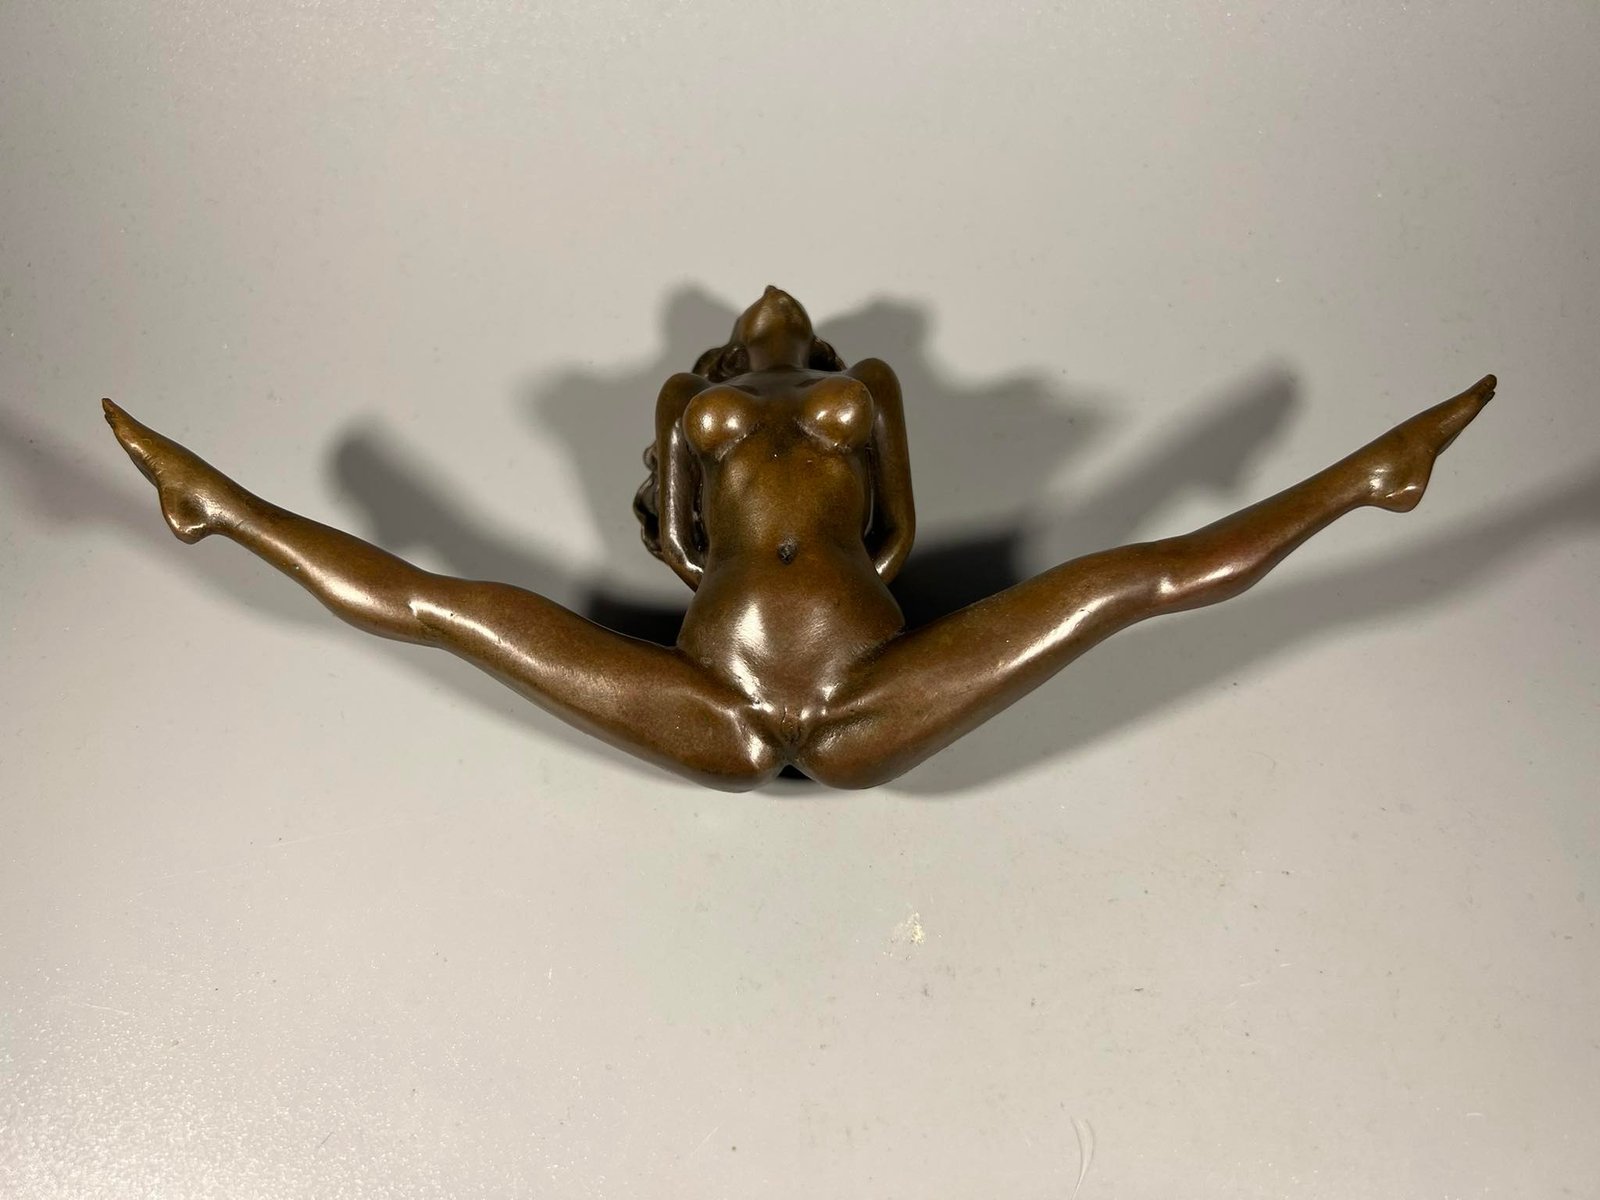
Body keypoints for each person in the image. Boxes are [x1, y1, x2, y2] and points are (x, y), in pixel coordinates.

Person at [103, 286, 1496, 790]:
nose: (773, 299)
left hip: (867, 692)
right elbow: (675, 547)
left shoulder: (864, 385)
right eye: (754, 318)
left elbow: (897, 536)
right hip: (710, 697)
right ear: (727, 351)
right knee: (449, 607)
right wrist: (720, 567)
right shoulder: (687, 398)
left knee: (1125, 582)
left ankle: (1368, 480)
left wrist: (849, 584)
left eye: (792, 316)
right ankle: (216, 505)